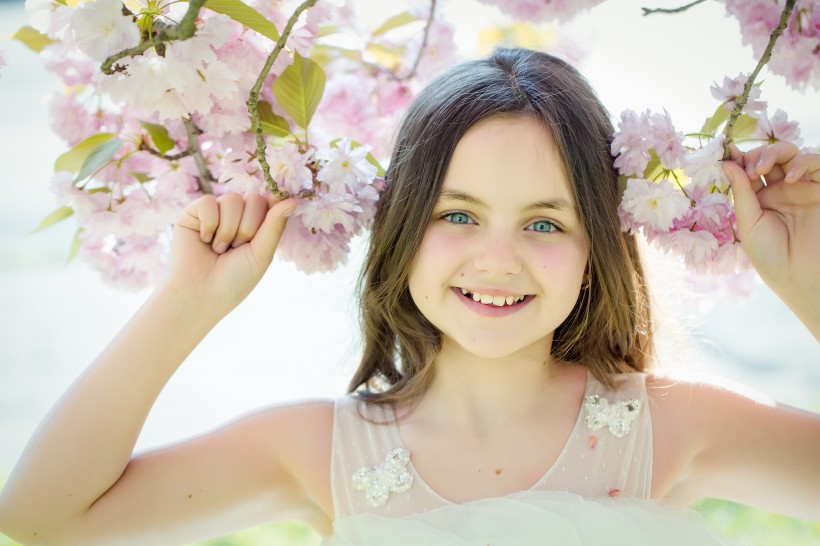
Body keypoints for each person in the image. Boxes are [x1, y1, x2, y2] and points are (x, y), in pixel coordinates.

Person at [0, 47, 818, 546]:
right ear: (399, 231)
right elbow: (43, 519)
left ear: (599, 249)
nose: (497, 261)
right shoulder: (320, 451)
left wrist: (806, 279)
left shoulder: (673, 428)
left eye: (544, 223)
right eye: (457, 214)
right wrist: (187, 302)